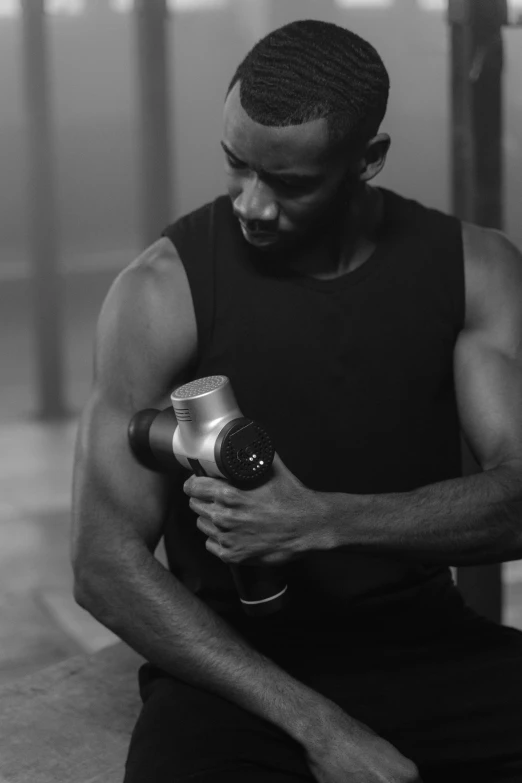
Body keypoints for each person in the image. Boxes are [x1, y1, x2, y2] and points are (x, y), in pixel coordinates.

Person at [71, 18, 522, 783]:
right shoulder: (161, 290)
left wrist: (320, 521)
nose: (251, 204)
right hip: (233, 668)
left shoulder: (475, 269)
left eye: (288, 182)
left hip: (423, 639)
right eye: (235, 165)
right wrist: (323, 727)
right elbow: (103, 563)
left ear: (367, 160)